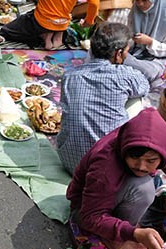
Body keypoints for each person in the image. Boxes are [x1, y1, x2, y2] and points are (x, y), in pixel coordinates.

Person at [66, 108, 166, 249]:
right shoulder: (105, 164)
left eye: (151, 161)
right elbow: (90, 216)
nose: (141, 166)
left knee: (148, 183)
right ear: (125, 150)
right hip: (85, 208)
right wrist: (133, 233)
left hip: (115, 194)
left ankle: (120, 230)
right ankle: (115, 239)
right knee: (144, 189)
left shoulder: (165, 143)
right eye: (134, 157)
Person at [57, 22, 150, 174]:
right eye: (126, 52)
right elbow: (144, 87)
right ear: (118, 54)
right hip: (103, 170)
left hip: (68, 161)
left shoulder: (69, 76)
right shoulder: (125, 75)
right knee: (137, 102)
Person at [124, 0, 166, 83]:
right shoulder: (135, 10)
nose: (140, 4)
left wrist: (150, 42)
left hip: (157, 57)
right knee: (113, 55)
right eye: (137, 0)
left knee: (148, 71)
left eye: (144, 0)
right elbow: (129, 33)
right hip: (136, 52)